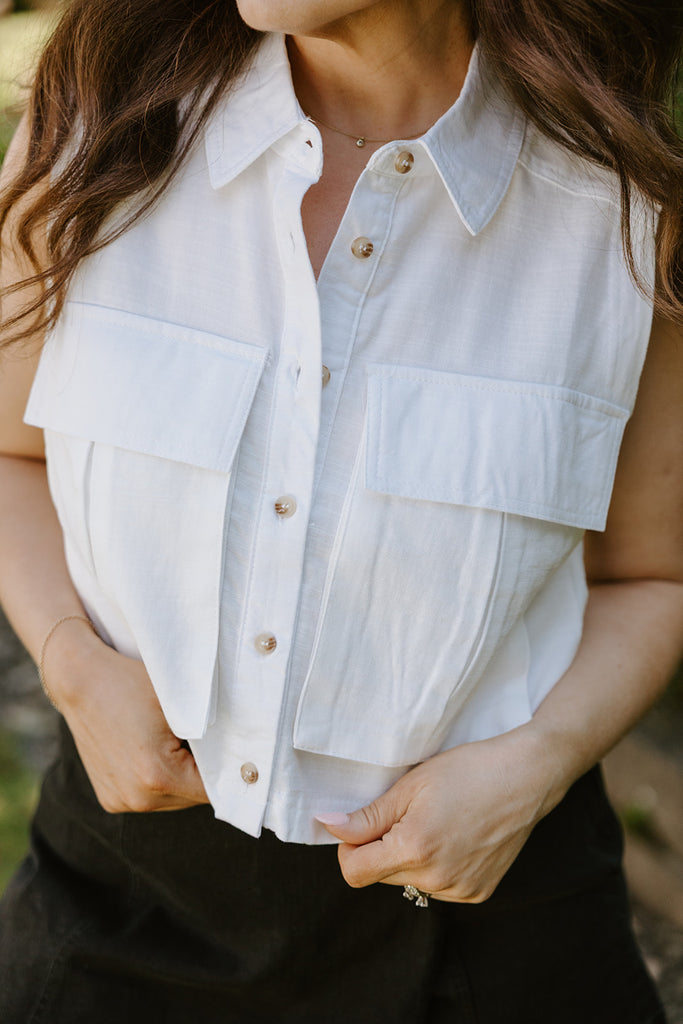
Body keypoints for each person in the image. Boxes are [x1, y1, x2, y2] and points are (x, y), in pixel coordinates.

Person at [0, 0, 682, 1020]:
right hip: (117, 920)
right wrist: (72, 662)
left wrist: (532, 769)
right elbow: (8, 450)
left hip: (491, 931)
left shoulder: (624, 212)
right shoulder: (97, 126)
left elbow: (651, 573)